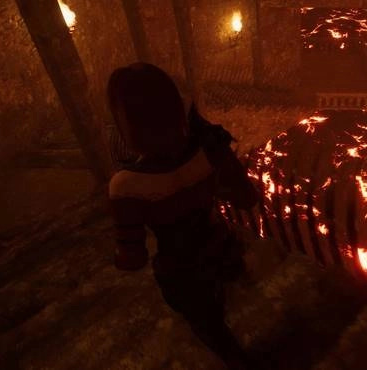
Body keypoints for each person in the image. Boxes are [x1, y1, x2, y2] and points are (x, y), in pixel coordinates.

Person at [106, 63, 259, 369]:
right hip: (222, 248)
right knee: (221, 287)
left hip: (183, 274)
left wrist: (116, 258)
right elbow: (247, 198)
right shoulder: (210, 146)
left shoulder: (125, 185)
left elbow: (133, 259)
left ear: (127, 125)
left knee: (211, 328)